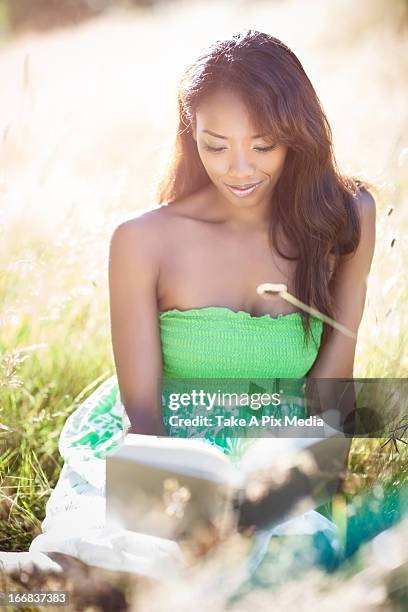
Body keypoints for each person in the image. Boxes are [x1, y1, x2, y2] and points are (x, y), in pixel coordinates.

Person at [25, 29, 376, 579]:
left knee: (274, 575)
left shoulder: (345, 218)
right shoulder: (142, 239)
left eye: (263, 145)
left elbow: (331, 391)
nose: (240, 169)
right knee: (109, 566)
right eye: (217, 146)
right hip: (167, 453)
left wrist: (311, 493)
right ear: (191, 136)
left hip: (277, 458)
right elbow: (144, 418)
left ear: (297, 136)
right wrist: (188, 511)